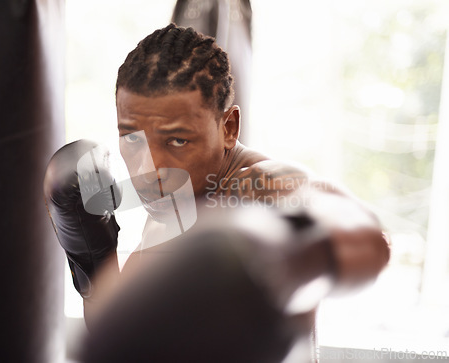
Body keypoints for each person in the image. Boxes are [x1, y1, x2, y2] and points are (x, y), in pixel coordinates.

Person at [44, 23, 390, 362]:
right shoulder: (172, 206)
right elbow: (122, 343)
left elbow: (370, 237)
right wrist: (94, 257)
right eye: (132, 138)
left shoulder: (260, 187)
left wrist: (287, 249)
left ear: (229, 127)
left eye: (177, 140)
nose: (149, 170)